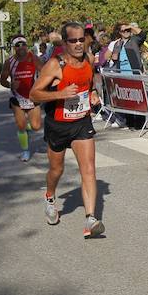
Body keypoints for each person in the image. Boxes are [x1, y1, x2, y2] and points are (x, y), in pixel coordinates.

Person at [29, 22, 104, 238]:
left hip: (81, 122)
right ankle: (50, 197)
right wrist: (59, 95)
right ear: (64, 42)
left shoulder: (89, 59)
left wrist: (92, 94)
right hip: (58, 125)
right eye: (73, 40)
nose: (79, 44)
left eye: (82, 39)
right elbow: (34, 94)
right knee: (56, 170)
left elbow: (88, 85)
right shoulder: (55, 65)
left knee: (89, 169)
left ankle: (91, 218)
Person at [0, 35, 42, 162]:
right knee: (21, 125)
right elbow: (2, 80)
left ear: (26, 45)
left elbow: (45, 73)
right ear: (14, 48)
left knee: (36, 126)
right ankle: (25, 151)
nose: (21, 47)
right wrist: (10, 84)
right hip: (16, 97)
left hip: (32, 97)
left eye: (23, 44)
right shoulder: (9, 62)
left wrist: (40, 86)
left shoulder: (34, 58)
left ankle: (26, 129)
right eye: (17, 45)